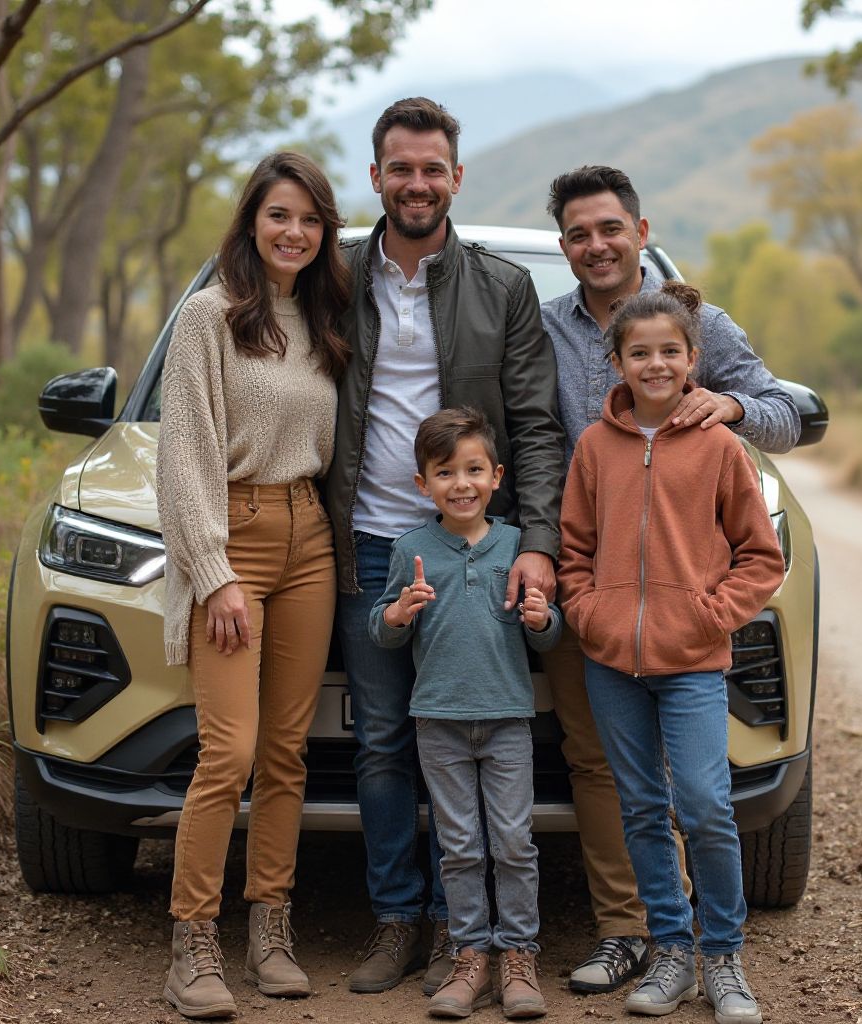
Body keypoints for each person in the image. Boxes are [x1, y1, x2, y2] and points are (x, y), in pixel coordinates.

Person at [539, 165, 800, 994]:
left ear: (640, 232)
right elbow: (541, 470)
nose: (597, 245)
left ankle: (720, 952)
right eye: (579, 234)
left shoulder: (704, 331)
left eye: (610, 228)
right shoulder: (544, 336)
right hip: (603, 620)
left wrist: (731, 408)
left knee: (704, 798)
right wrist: (586, 607)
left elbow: (782, 416)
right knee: (619, 787)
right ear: (563, 245)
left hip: (689, 632)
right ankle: (649, 941)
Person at [325, 97, 564, 996]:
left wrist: (536, 541)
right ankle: (400, 920)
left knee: (481, 733)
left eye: (433, 169)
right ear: (376, 175)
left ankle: (470, 936)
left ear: (456, 178)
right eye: (401, 168)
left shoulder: (504, 288)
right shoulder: (334, 277)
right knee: (385, 742)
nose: (416, 183)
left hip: (476, 547)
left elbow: (535, 426)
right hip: (368, 542)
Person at [156, 152, 350, 1019]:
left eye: (310, 219)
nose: (294, 232)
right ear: (252, 222)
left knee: (284, 752)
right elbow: (183, 453)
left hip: (311, 538)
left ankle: (270, 930)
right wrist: (213, 573)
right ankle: (192, 942)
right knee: (227, 751)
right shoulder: (209, 315)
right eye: (280, 215)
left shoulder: (325, 318)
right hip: (232, 538)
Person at [368, 408, 561, 1020]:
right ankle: (469, 954)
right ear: (422, 484)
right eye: (445, 472)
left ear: (497, 476)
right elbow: (382, 628)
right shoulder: (410, 549)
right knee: (458, 846)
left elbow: (548, 633)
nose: (461, 484)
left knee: (514, 842)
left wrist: (543, 621)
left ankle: (519, 956)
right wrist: (398, 613)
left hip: (507, 718)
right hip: (438, 720)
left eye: (474, 470)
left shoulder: (517, 545)